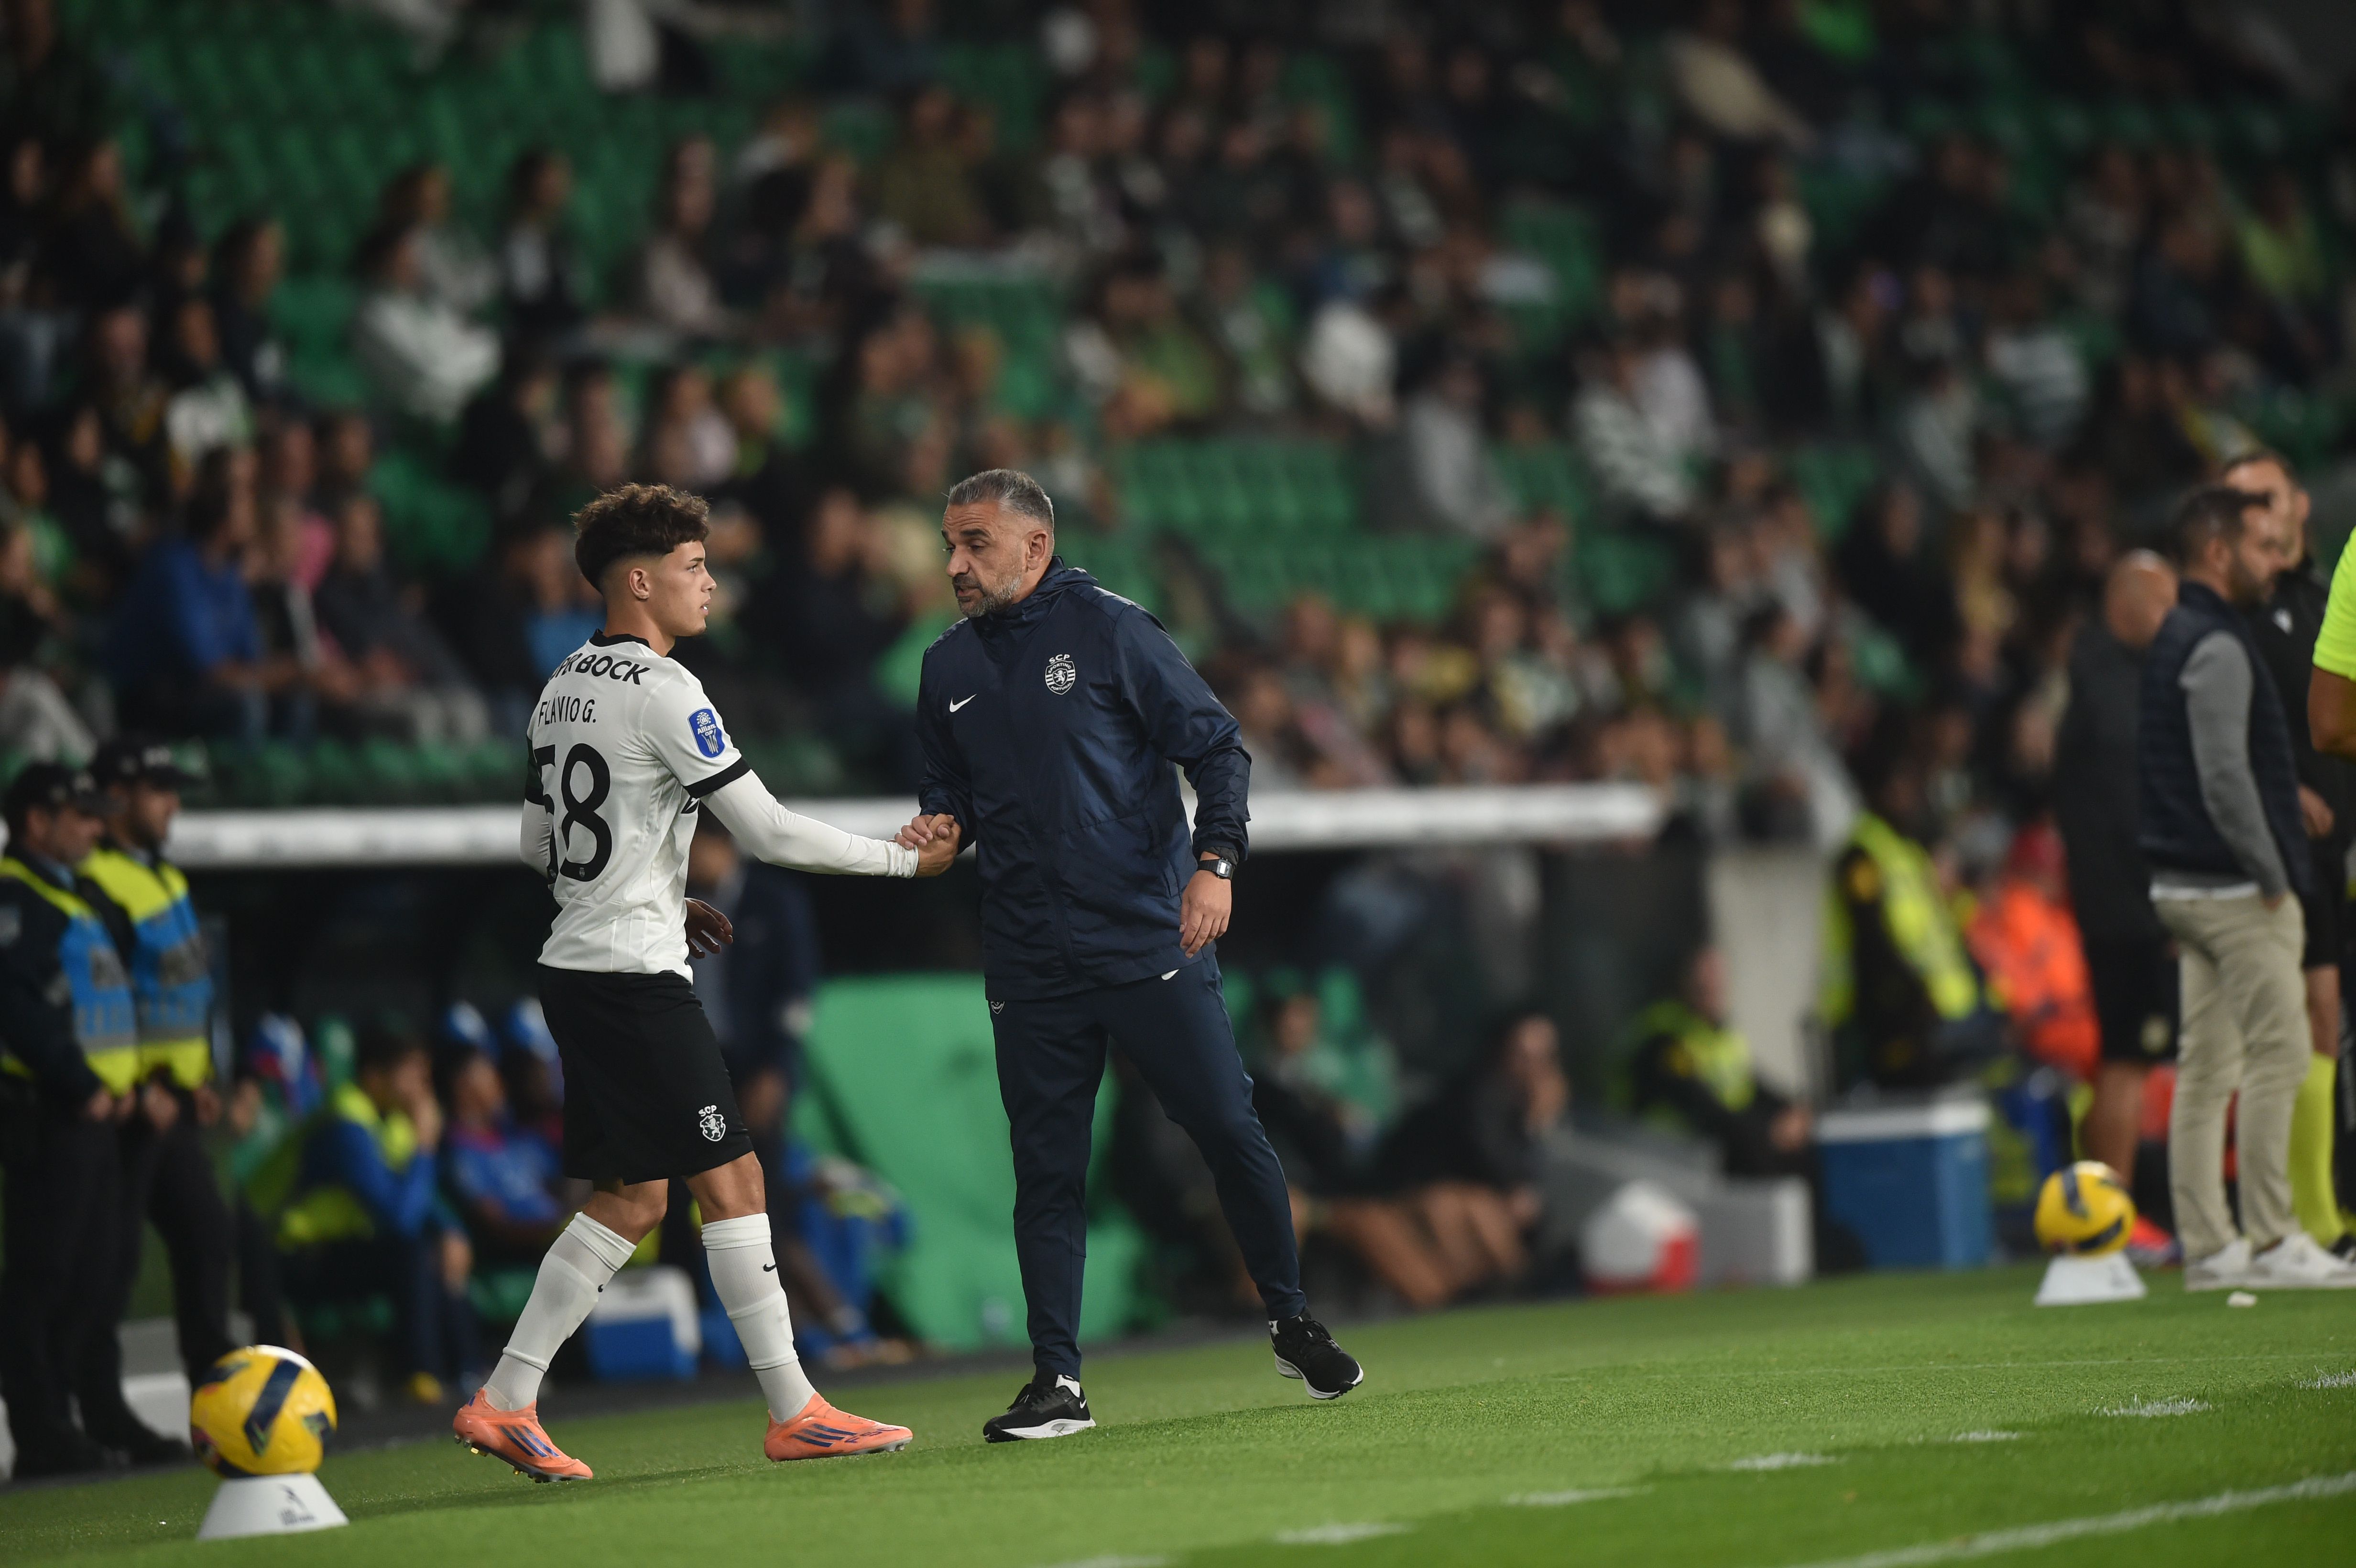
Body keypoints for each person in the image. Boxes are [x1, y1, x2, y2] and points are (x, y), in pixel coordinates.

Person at [450, 482, 959, 1481]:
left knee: (633, 1198)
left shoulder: (562, 683)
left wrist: (645, 888)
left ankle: (505, 1397)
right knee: (734, 1179)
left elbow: (535, 840)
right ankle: (794, 1407)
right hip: (632, 978)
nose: (709, 583)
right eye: (693, 566)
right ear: (638, 580)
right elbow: (764, 831)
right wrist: (907, 863)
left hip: (580, 962)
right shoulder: (664, 688)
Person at [896, 468, 1363, 1443]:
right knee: (1048, 1169)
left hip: (1147, 935)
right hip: (1028, 957)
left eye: (974, 543)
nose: (954, 563)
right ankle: (1056, 1379)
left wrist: (1216, 862)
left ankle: (1288, 1315)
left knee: (1227, 1127)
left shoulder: (1114, 629)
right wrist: (939, 828)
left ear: (1033, 546)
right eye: (949, 542)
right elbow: (954, 801)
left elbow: (1219, 748)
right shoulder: (945, 670)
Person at [2139, 484, 2356, 1289]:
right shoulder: (2220, 644)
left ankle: (2206, 1244)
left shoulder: (2173, 637)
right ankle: (2272, 1236)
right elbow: (2226, 779)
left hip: (2179, 880)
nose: (2277, 564)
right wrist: (2272, 873)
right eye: (2262, 549)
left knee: (2205, 1068)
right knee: (2279, 1054)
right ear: (2218, 553)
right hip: (2235, 888)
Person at [75, 736, 236, 1437]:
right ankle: (101, 1408)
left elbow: (182, 990)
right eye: (157, 791)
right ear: (114, 798)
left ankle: (219, 1403)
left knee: (207, 1240)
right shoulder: (96, 882)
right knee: (108, 1263)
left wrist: (199, 1073)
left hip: (176, 1099)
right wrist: (147, 1083)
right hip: (129, 1106)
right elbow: (101, 999)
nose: (172, 805)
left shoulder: (163, 877)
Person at [2226, 448, 2353, 1258]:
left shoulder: (2314, 595)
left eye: (2266, 499)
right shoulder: (2232, 618)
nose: (2256, 517)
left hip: (2339, 836)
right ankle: (2309, 1219)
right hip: (2282, 844)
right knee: (2303, 1017)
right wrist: (2277, 797)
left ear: (2298, 505)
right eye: (2237, 506)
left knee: (2329, 1016)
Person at [0, 763, 142, 1476]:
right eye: (80, 816)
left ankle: (73, 1418)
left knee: (93, 1274)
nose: (94, 828)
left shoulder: (68, 895)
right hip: (54, 1114)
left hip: (93, 1116)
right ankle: (41, 1429)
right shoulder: (19, 899)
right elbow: (14, 1004)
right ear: (36, 822)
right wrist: (79, 1079)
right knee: (42, 1279)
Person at [2053, 552, 2179, 1232]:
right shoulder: (2117, 696)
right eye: (2162, 604)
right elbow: (2132, 814)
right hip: (2134, 912)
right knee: (2128, 1063)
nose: (2171, 619)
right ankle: (2111, 1222)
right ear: (2125, 608)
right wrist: (2163, 902)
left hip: (2113, 908)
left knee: (2127, 1060)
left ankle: (2114, 1218)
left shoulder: (2096, 679)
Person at [277, 1023, 482, 1401]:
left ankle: (470, 1374)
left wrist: (452, 1230)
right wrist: (424, 1145)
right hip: (299, 1258)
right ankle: (422, 1376)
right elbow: (399, 1219)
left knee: (438, 1245)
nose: (422, 1086)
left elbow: (422, 1202)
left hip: (351, 1250)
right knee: (411, 1252)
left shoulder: (393, 1120)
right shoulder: (345, 1122)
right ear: (374, 1077)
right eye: (412, 1074)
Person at [1628, 947, 1811, 1179]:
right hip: (1672, 1153)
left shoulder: (1721, 1036)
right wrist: (1771, 1131)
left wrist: (1791, 1110)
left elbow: (1753, 1084)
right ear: (1684, 985)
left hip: (1718, 1143)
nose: (1712, 992)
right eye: (1703, 987)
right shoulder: (1667, 1040)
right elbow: (1702, 1106)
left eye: (1718, 985)